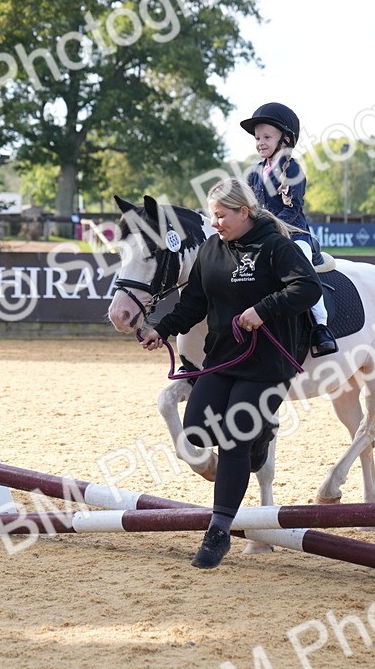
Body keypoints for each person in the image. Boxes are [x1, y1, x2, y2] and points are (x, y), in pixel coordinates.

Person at [139, 178, 322, 569]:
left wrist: (263, 310)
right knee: (195, 432)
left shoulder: (275, 246)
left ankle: (218, 530)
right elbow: (194, 302)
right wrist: (162, 329)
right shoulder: (211, 249)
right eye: (212, 216)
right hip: (222, 357)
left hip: (268, 360)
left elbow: (307, 288)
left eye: (221, 216)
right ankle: (261, 436)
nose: (215, 222)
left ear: (245, 212)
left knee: (233, 440)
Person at [241, 101, 338, 357]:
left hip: (294, 234)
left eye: (266, 137)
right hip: (262, 235)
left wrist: (268, 230)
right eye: (257, 137)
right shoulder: (253, 173)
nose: (260, 142)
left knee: (302, 264)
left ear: (284, 139)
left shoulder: (292, 169)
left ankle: (320, 327)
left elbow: (291, 209)